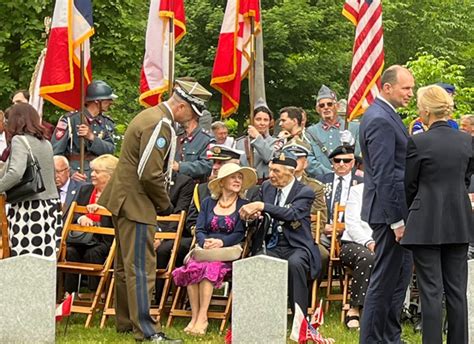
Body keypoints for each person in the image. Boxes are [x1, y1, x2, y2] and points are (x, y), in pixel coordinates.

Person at [98, 79, 212, 343]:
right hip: (137, 202)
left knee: (127, 265)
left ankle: (127, 322)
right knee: (141, 267)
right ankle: (146, 331)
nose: (191, 119)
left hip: (125, 199)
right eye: (192, 113)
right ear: (182, 106)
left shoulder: (151, 116)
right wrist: (164, 204)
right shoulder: (160, 123)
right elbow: (150, 174)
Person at [401, 85, 474, 344]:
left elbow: (409, 185)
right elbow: (465, 177)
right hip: (459, 220)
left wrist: (418, 207)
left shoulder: (418, 142)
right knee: (457, 292)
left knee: (431, 291)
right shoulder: (467, 140)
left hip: (426, 222)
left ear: (425, 111)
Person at [358, 65, 415, 344]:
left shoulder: (386, 114)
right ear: (387, 87)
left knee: (399, 279)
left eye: (412, 88)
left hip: (396, 210)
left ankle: (390, 337)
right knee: (384, 281)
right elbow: (384, 174)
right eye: (406, 88)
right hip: (388, 213)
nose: (410, 94)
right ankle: (371, 339)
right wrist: (397, 221)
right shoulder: (379, 118)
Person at [172, 163, 257, 336]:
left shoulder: (244, 204)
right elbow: (200, 228)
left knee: (207, 269)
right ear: (222, 182)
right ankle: (194, 317)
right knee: (193, 268)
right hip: (206, 250)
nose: (237, 180)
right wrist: (204, 242)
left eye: (240, 177)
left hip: (228, 252)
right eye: (233, 177)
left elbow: (240, 233)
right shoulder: (207, 202)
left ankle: (203, 317)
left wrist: (220, 242)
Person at [239, 152, 321, 316]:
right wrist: (253, 216)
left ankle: (300, 319)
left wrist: (262, 206)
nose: (271, 175)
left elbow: (291, 214)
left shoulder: (305, 192)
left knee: (295, 265)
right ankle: (261, 317)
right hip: (270, 243)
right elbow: (258, 215)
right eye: (270, 170)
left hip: (296, 245)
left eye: (276, 171)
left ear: (291, 172)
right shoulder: (266, 187)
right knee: (259, 263)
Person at [0, 103, 61, 257]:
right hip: (50, 206)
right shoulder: (46, 142)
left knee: (24, 261)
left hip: (30, 206)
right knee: (44, 260)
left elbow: (15, 173)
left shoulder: (19, 140)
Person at [64, 154, 118, 294]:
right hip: (82, 239)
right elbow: (73, 213)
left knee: (93, 253)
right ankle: (69, 295)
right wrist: (81, 217)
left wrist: (102, 212)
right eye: (92, 170)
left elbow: (120, 218)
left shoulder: (117, 194)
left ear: (110, 175)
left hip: (105, 241)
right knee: (70, 252)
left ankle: (96, 294)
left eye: (97, 172)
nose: (92, 174)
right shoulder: (85, 189)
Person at [51, 80, 117, 180]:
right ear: (96, 101)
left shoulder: (106, 123)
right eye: (107, 100)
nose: (110, 102)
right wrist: (70, 173)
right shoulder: (70, 119)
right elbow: (55, 153)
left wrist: (92, 138)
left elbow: (110, 150)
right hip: (77, 174)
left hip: (100, 175)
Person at [339, 183, 375, 330]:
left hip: (384, 243)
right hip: (353, 243)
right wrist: (369, 242)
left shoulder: (391, 189)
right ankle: (354, 309)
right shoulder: (357, 190)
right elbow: (352, 224)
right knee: (368, 257)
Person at [306, 85, 360, 177]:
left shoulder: (354, 128)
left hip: (349, 180)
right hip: (321, 181)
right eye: (322, 105)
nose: (326, 107)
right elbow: (308, 159)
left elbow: (362, 155)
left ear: (337, 106)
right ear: (317, 109)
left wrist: (353, 144)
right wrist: (330, 175)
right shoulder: (310, 132)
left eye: (330, 104)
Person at [172, 80, 213, 183]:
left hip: (195, 189)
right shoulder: (176, 136)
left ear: (192, 113)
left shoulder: (207, 139)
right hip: (174, 189)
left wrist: (180, 167)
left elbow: (207, 165)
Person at [234, 98, 277, 181]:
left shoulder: (275, 142)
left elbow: (268, 157)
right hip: (243, 183)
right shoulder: (239, 142)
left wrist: (257, 137)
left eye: (266, 120)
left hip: (264, 185)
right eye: (258, 119)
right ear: (252, 121)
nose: (262, 123)